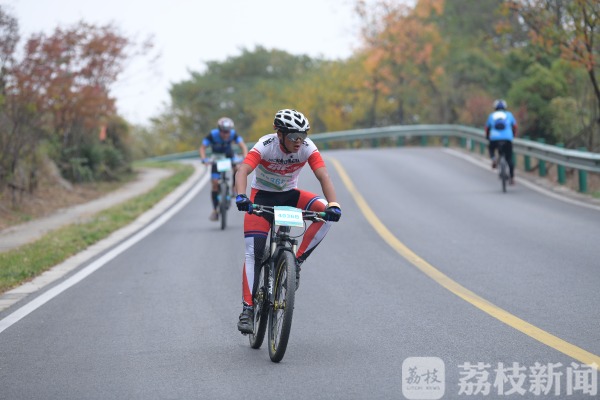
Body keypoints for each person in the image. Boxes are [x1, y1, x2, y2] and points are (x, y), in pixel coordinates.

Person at [233, 108, 342, 334]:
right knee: (254, 251)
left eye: (303, 136)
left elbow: (323, 176)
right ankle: (248, 308)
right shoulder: (265, 145)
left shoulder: (306, 147)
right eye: (294, 136)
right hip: (260, 198)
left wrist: (334, 204)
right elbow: (243, 170)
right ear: (280, 134)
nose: (299, 142)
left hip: (290, 196)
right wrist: (241, 196)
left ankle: (297, 262)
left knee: (325, 214)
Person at [199, 117, 248, 221]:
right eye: (223, 131)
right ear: (219, 130)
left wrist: (245, 156)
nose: (226, 134)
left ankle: (234, 188)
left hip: (229, 156)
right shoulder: (212, 135)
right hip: (217, 158)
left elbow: (243, 146)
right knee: (215, 184)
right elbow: (202, 148)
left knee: (238, 168)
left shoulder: (233, 134)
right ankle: (215, 210)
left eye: (227, 132)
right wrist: (204, 159)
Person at [485, 99, 518, 184]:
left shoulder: (491, 116)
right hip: (507, 138)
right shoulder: (509, 115)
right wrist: (513, 135)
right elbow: (514, 126)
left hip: (494, 138)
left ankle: (493, 159)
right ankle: (512, 178)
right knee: (509, 158)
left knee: (491, 148)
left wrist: (488, 137)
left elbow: (487, 128)